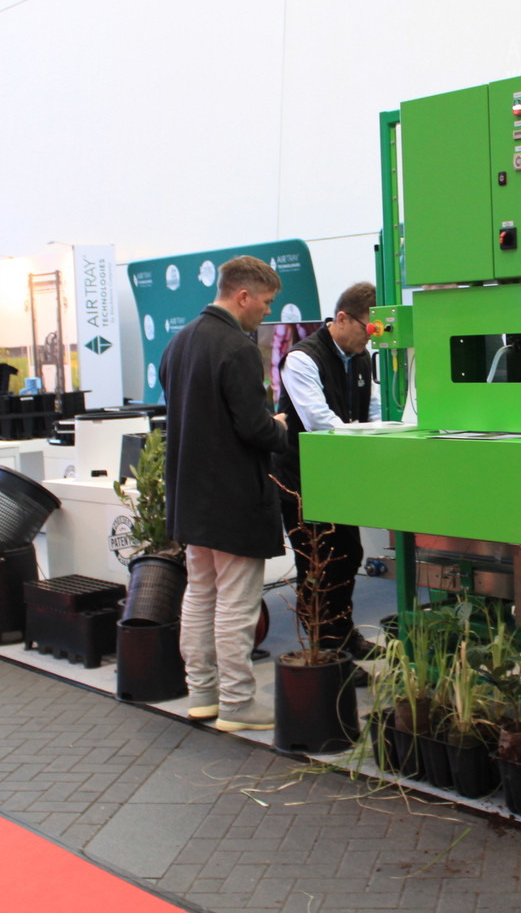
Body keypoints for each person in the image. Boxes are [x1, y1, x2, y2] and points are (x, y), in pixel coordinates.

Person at [159, 255, 288, 732]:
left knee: (200, 594)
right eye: (265, 303)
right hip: (233, 498)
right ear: (242, 295)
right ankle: (237, 703)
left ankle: (203, 696)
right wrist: (279, 427)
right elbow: (254, 429)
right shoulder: (237, 348)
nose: (267, 312)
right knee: (236, 603)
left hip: (191, 497)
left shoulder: (179, 342)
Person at [273, 282, 381, 670]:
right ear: (342, 318)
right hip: (301, 480)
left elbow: (373, 409)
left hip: (338, 478)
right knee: (316, 565)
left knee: (348, 555)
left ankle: (342, 634)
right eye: (367, 328)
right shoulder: (302, 359)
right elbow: (319, 420)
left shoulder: (362, 359)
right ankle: (326, 654)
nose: (370, 338)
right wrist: (364, 436)